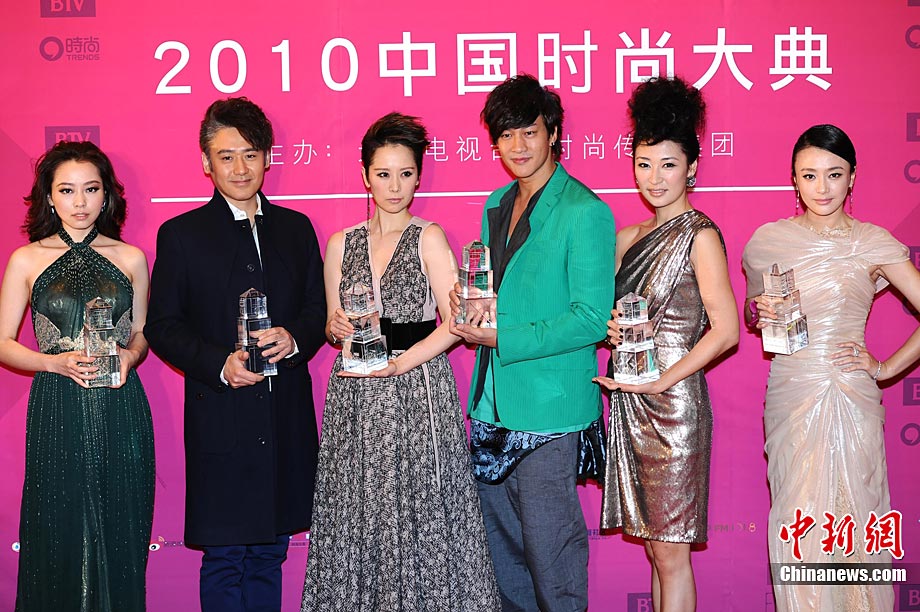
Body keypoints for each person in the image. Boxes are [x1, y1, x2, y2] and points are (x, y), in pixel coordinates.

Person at [300, 112, 501, 611]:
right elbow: (332, 324)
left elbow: (456, 323)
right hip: (356, 396)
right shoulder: (340, 243)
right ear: (365, 175)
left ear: (418, 176)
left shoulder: (429, 236)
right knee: (358, 509)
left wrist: (401, 364)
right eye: (384, 174)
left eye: (406, 174)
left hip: (417, 390)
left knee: (421, 508)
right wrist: (336, 328)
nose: (394, 186)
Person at [144, 97, 326, 612]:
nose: (240, 168)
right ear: (206, 162)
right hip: (220, 416)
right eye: (226, 156)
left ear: (267, 157)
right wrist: (218, 364)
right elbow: (162, 326)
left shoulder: (296, 228)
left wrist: (295, 338)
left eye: (250, 154)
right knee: (224, 558)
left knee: (270, 553)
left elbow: (318, 309)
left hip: (284, 413)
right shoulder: (181, 234)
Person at [449, 74, 616, 611]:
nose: (517, 146)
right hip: (493, 402)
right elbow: (500, 292)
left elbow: (591, 319)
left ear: (553, 133)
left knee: (552, 554)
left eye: (529, 132)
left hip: (550, 410)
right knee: (504, 557)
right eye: (506, 135)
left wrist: (505, 336)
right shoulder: (496, 202)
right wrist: (472, 299)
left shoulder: (585, 211)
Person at [743, 124, 920, 611]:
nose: (821, 188)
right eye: (809, 175)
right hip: (791, 392)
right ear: (794, 180)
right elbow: (753, 310)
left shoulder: (872, 242)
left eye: (834, 174)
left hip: (850, 392)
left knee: (857, 510)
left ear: (852, 177)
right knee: (798, 515)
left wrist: (885, 367)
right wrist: (759, 312)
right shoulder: (769, 241)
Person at [593, 76, 739, 612]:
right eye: (644, 164)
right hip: (631, 402)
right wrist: (610, 329)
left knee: (673, 554)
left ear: (692, 168)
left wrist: (663, 381)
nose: (655, 178)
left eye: (669, 165)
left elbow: (726, 330)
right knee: (656, 551)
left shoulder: (700, 235)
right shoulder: (626, 239)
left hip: (675, 405)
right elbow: (603, 318)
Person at [0, 140, 154, 611]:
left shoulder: (131, 257)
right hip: (58, 405)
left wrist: (130, 356)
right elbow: (3, 342)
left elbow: (142, 333)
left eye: (91, 189)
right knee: (58, 526)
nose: (80, 202)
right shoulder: (26, 259)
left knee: (120, 525)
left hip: (120, 404)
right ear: (49, 197)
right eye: (67, 190)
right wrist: (55, 362)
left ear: (107, 195)